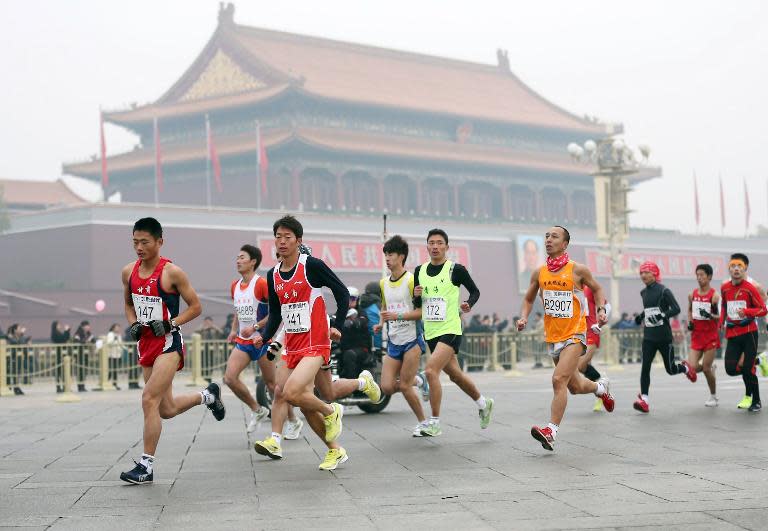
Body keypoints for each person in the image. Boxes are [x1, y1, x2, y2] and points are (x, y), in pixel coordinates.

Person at [119, 217, 225, 484]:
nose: (139, 247)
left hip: (168, 345)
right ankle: (208, 396)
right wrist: (133, 324)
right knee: (165, 409)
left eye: (144, 242)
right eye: (135, 242)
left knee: (148, 400)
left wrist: (169, 323)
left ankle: (146, 466)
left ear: (159, 242)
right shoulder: (128, 272)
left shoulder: (172, 273)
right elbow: (129, 304)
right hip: (146, 345)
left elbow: (195, 307)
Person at [250, 215, 355, 471]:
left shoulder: (312, 266)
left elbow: (341, 292)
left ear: (298, 240)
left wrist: (337, 325)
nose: (282, 241)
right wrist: (264, 337)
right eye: (278, 237)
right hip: (293, 346)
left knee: (294, 392)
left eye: (287, 237)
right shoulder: (273, 275)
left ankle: (331, 411)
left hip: (317, 342)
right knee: (282, 392)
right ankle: (333, 450)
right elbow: (276, 313)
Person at [517, 226, 614, 451]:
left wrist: (600, 309)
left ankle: (551, 431)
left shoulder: (577, 270)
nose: (549, 240)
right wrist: (523, 317)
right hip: (553, 336)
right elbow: (529, 299)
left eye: (555, 237)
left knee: (558, 379)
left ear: (565, 244)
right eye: (547, 237)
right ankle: (601, 389)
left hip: (576, 334)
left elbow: (598, 289)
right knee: (576, 386)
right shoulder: (539, 273)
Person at [414, 228, 493, 437]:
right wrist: (415, 295)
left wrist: (468, 304)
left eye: (440, 243)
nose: (435, 246)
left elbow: (475, 291)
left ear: (447, 247)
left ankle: (434, 422)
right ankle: (484, 403)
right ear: (427, 246)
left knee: (431, 371)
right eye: (431, 243)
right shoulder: (419, 271)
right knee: (456, 376)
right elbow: (417, 303)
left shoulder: (455, 269)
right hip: (430, 331)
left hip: (450, 328)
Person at [223, 244, 302, 435]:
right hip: (243, 342)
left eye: (242, 257)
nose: (238, 261)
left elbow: (277, 312)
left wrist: (257, 327)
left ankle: (293, 420)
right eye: (237, 257)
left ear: (253, 262)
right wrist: (234, 330)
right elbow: (238, 311)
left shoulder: (261, 284)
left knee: (273, 385)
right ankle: (257, 410)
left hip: (262, 341)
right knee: (230, 378)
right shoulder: (235, 286)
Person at [374, 235, 430, 436]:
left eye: (391, 255)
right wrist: (381, 323)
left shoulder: (411, 280)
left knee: (404, 386)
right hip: (394, 341)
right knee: (387, 387)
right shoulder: (383, 283)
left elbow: (421, 312)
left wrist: (397, 315)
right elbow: (384, 306)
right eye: (386, 255)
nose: (387, 259)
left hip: (412, 340)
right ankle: (420, 380)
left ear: (402, 256)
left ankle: (424, 423)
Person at [632, 261, 697, 414]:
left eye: (646, 272)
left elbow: (676, 308)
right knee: (645, 368)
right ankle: (645, 400)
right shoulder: (643, 292)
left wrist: (662, 315)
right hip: (648, 337)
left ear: (655, 274)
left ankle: (685, 367)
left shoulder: (664, 291)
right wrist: (640, 317)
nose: (643, 275)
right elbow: (648, 309)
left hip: (664, 337)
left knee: (671, 369)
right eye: (641, 273)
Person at [721, 253, 767, 412]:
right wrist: (721, 321)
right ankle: (758, 362)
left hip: (749, 333)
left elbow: (763, 309)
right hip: (733, 334)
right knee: (730, 369)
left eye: (739, 266)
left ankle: (756, 400)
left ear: (745, 268)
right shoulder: (724, 287)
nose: (736, 269)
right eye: (733, 266)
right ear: (729, 268)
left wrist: (747, 311)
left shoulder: (751, 288)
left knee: (747, 370)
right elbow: (724, 306)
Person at [687, 264, 720, 407]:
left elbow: (719, 317)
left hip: (710, 337)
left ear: (709, 277)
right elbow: (689, 310)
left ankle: (713, 397)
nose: (699, 278)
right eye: (697, 275)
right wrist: (690, 322)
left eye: (702, 275)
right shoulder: (692, 294)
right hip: (696, 336)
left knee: (705, 369)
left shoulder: (715, 296)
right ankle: (711, 369)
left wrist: (710, 315)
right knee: (692, 368)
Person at [580, 285, 611, 412]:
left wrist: (600, 321)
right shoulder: (570, 290)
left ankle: (602, 383)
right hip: (578, 332)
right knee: (585, 367)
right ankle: (601, 390)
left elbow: (607, 306)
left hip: (592, 331)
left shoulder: (590, 289)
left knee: (581, 365)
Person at [197, 316, 223, 383]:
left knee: (211, 363)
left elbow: (221, 333)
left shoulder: (214, 329)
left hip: (212, 349)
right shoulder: (201, 328)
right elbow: (195, 332)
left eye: (209, 322)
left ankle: (209, 377)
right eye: (206, 322)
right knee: (203, 362)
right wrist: (203, 328)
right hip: (202, 349)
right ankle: (203, 377)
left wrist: (213, 327)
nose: (207, 323)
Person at [73, 320, 95, 392]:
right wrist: (85, 341)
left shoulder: (88, 334)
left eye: (89, 326)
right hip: (79, 355)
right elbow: (76, 341)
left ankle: (83, 385)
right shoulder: (78, 333)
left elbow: (93, 340)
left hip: (85, 354)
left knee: (84, 370)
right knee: (80, 370)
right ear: (83, 326)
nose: (88, 327)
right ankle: (80, 386)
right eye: (87, 326)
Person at [51, 320, 71, 393]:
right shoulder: (55, 334)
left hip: (63, 354)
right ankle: (58, 387)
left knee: (63, 371)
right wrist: (66, 331)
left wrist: (67, 331)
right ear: (55, 326)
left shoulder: (58, 333)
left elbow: (66, 338)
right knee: (59, 371)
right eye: (58, 325)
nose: (60, 326)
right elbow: (62, 339)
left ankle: (64, 386)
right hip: (59, 354)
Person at [105, 323, 124, 390]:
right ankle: (107, 382)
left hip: (118, 354)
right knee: (112, 369)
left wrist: (124, 348)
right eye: (116, 327)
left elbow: (120, 343)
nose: (117, 329)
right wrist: (114, 339)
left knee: (115, 370)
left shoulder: (119, 335)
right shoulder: (110, 334)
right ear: (113, 328)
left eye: (118, 327)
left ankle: (114, 383)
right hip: (112, 354)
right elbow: (109, 343)